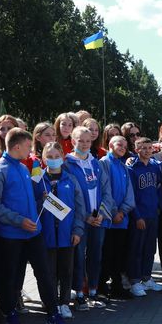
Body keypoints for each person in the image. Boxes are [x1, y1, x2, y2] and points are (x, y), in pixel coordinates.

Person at [0, 127, 69, 324]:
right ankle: (10, 314)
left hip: (33, 232)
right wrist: (19, 221)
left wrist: (44, 202)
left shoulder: (24, 168)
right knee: (11, 276)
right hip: (10, 235)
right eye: (28, 146)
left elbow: (31, 198)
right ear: (16, 147)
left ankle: (53, 314)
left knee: (45, 273)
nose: (31, 150)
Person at [64, 125, 112, 310]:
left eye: (88, 141)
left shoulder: (97, 164)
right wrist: (84, 217)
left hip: (98, 219)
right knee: (78, 258)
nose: (84, 144)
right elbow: (68, 197)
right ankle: (79, 293)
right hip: (80, 220)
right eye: (80, 141)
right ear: (72, 141)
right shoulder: (67, 165)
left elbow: (106, 191)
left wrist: (102, 213)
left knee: (95, 256)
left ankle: (93, 291)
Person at [37, 142, 85, 320]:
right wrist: (40, 202)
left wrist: (77, 230)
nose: (53, 159)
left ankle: (64, 303)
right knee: (48, 272)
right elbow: (31, 208)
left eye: (56, 156)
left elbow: (80, 208)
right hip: (46, 236)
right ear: (43, 158)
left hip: (67, 235)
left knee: (66, 271)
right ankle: (51, 303)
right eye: (49, 157)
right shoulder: (38, 180)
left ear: (63, 157)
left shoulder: (71, 180)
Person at [98, 135, 136, 299]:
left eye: (125, 146)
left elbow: (129, 192)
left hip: (122, 219)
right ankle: (101, 286)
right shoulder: (103, 163)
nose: (122, 148)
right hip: (108, 219)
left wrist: (123, 211)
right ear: (110, 145)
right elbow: (105, 190)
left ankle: (116, 286)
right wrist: (114, 212)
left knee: (119, 255)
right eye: (119, 144)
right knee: (107, 254)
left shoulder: (123, 166)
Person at [127, 137, 162, 297]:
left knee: (150, 248)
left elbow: (159, 188)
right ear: (137, 150)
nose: (147, 151)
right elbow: (131, 195)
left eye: (150, 148)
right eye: (143, 148)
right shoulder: (132, 168)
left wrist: (159, 207)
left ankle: (147, 278)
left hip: (153, 214)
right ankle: (135, 281)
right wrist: (137, 216)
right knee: (136, 249)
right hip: (139, 216)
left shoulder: (155, 167)